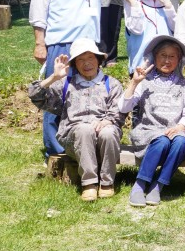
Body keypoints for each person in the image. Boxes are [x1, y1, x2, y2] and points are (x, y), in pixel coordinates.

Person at [30, 0, 133, 159]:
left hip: (88, 47)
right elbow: (38, 12)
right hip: (61, 46)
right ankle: (56, 152)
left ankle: (86, 147)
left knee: (89, 97)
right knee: (56, 97)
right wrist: (40, 43)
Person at [28, 38, 123, 201]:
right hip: (74, 138)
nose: (86, 63)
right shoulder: (66, 85)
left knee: (109, 132)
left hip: (103, 137)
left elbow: (118, 113)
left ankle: (107, 182)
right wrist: (54, 77)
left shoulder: (111, 84)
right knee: (84, 129)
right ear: (74, 64)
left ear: (98, 60)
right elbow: (35, 96)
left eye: (90, 58)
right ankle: (89, 184)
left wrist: (107, 121)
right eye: (81, 59)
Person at [121, 35, 185, 207]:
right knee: (162, 141)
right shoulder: (144, 81)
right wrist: (134, 83)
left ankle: (158, 185)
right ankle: (140, 184)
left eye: (172, 56)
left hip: (176, 129)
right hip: (148, 130)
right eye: (163, 55)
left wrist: (180, 126)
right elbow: (124, 107)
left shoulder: (183, 84)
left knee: (180, 142)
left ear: (179, 60)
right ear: (155, 57)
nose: (167, 60)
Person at [123, 0, 176, 76]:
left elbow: (175, 28)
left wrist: (168, 6)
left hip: (166, 63)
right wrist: (135, 5)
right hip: (141, 64)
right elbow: (136, 29)